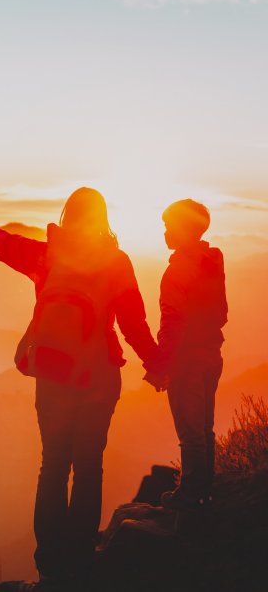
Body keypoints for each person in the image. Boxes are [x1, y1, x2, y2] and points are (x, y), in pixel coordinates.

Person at [0, 187, 159, 589]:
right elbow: (133, 323)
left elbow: (6, 245)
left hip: (53, 376)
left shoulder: (46, 254)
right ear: (102, 218)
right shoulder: (116, 262)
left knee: (52, 467)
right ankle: (80, 558)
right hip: (98, 377)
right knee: (88, 468)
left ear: (68, 215)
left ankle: (49, 563)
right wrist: (157, 365)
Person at [145, 199, 228, 511]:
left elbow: (172, 325)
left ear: (182, 230)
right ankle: (205, 489)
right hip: (211, 352)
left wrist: (159, 367)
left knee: (190, 431)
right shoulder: (212, 260)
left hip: (187, 359)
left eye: (169, 227)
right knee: (204, 427)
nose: (165, 233)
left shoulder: (178, 272)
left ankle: (192, 496)